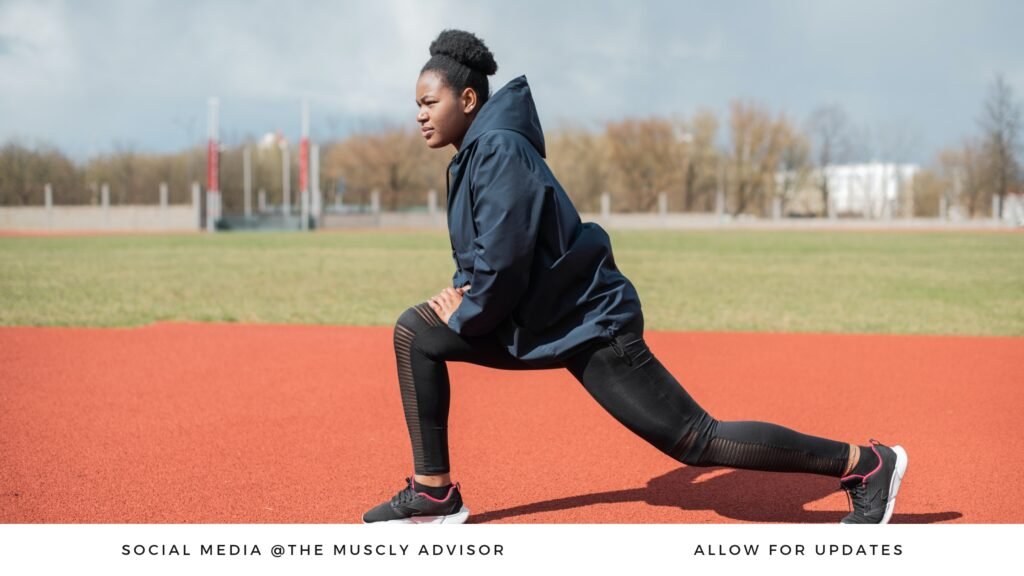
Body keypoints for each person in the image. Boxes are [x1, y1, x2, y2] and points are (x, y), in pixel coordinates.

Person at [362, 29, 908, 525]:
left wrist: (468, 306)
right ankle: (434, 493)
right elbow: (489, 252)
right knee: (417, 333)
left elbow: (504, 262)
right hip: (545, 317)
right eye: (417, 105)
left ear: (468, 99)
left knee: (697, 439)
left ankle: (865, 464)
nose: (420, 115)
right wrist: (463, 290)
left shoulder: (500, 150)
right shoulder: (477, 154)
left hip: (591, 324)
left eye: (428, 102)